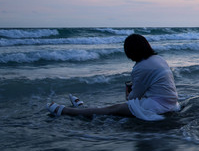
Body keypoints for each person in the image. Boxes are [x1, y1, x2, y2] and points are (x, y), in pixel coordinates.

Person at [47, 34, 180, 121]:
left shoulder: (140, 67)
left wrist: (128, 92)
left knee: (112, 109)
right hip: (171, 102)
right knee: (113, 108)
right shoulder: (158, 58)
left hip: (157, 106)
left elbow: (133, 98)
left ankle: (67, 111)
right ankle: (82, 108)